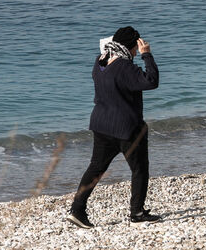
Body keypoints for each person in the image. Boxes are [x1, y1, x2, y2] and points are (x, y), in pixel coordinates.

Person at [67, 26, 160, 229]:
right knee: (139, 169)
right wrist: (147, 56)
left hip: (101, 124)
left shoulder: (100, 62)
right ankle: (136, 212)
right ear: (130, 46)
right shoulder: (126, 67)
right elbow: (152, 81)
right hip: (127, 127)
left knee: (96, 168)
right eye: (136, 47)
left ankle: (77, 210)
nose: (136, 51)